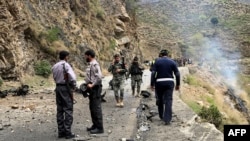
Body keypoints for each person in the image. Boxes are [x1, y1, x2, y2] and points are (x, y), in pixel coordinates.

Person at [150, 49, 180, 125]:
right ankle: (167, 119)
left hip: (159, 82)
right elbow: (177, 74)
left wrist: (152, 84)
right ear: (168, 54)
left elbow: (153, 73)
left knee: (160, 99)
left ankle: (161, 115)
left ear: (161, 54)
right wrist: (178, 84)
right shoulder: (172, 62)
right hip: (169, 82)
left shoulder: (157, 62)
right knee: (168, 100)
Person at [52, 50, 77, 139]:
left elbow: (54, 77)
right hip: (65, 88)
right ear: (66, 57)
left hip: (58, 88)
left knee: (60, 110)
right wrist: (73, 86)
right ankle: (68, 132)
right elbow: (72, 77)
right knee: (68, 109)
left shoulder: (54, 66)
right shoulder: (66, 65)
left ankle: (61, 132)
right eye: (68, 57)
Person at [84, 49, 104, 134]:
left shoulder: (95, 64)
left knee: (96, 108)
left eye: (85, 55)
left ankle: (99, 128)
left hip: (95, 88)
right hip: (92, 89)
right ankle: (95, 125)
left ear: (89, 55)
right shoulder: (90, 64)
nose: (85, 57)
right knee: (92, 108)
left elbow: (99, 77)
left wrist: (92, 85)